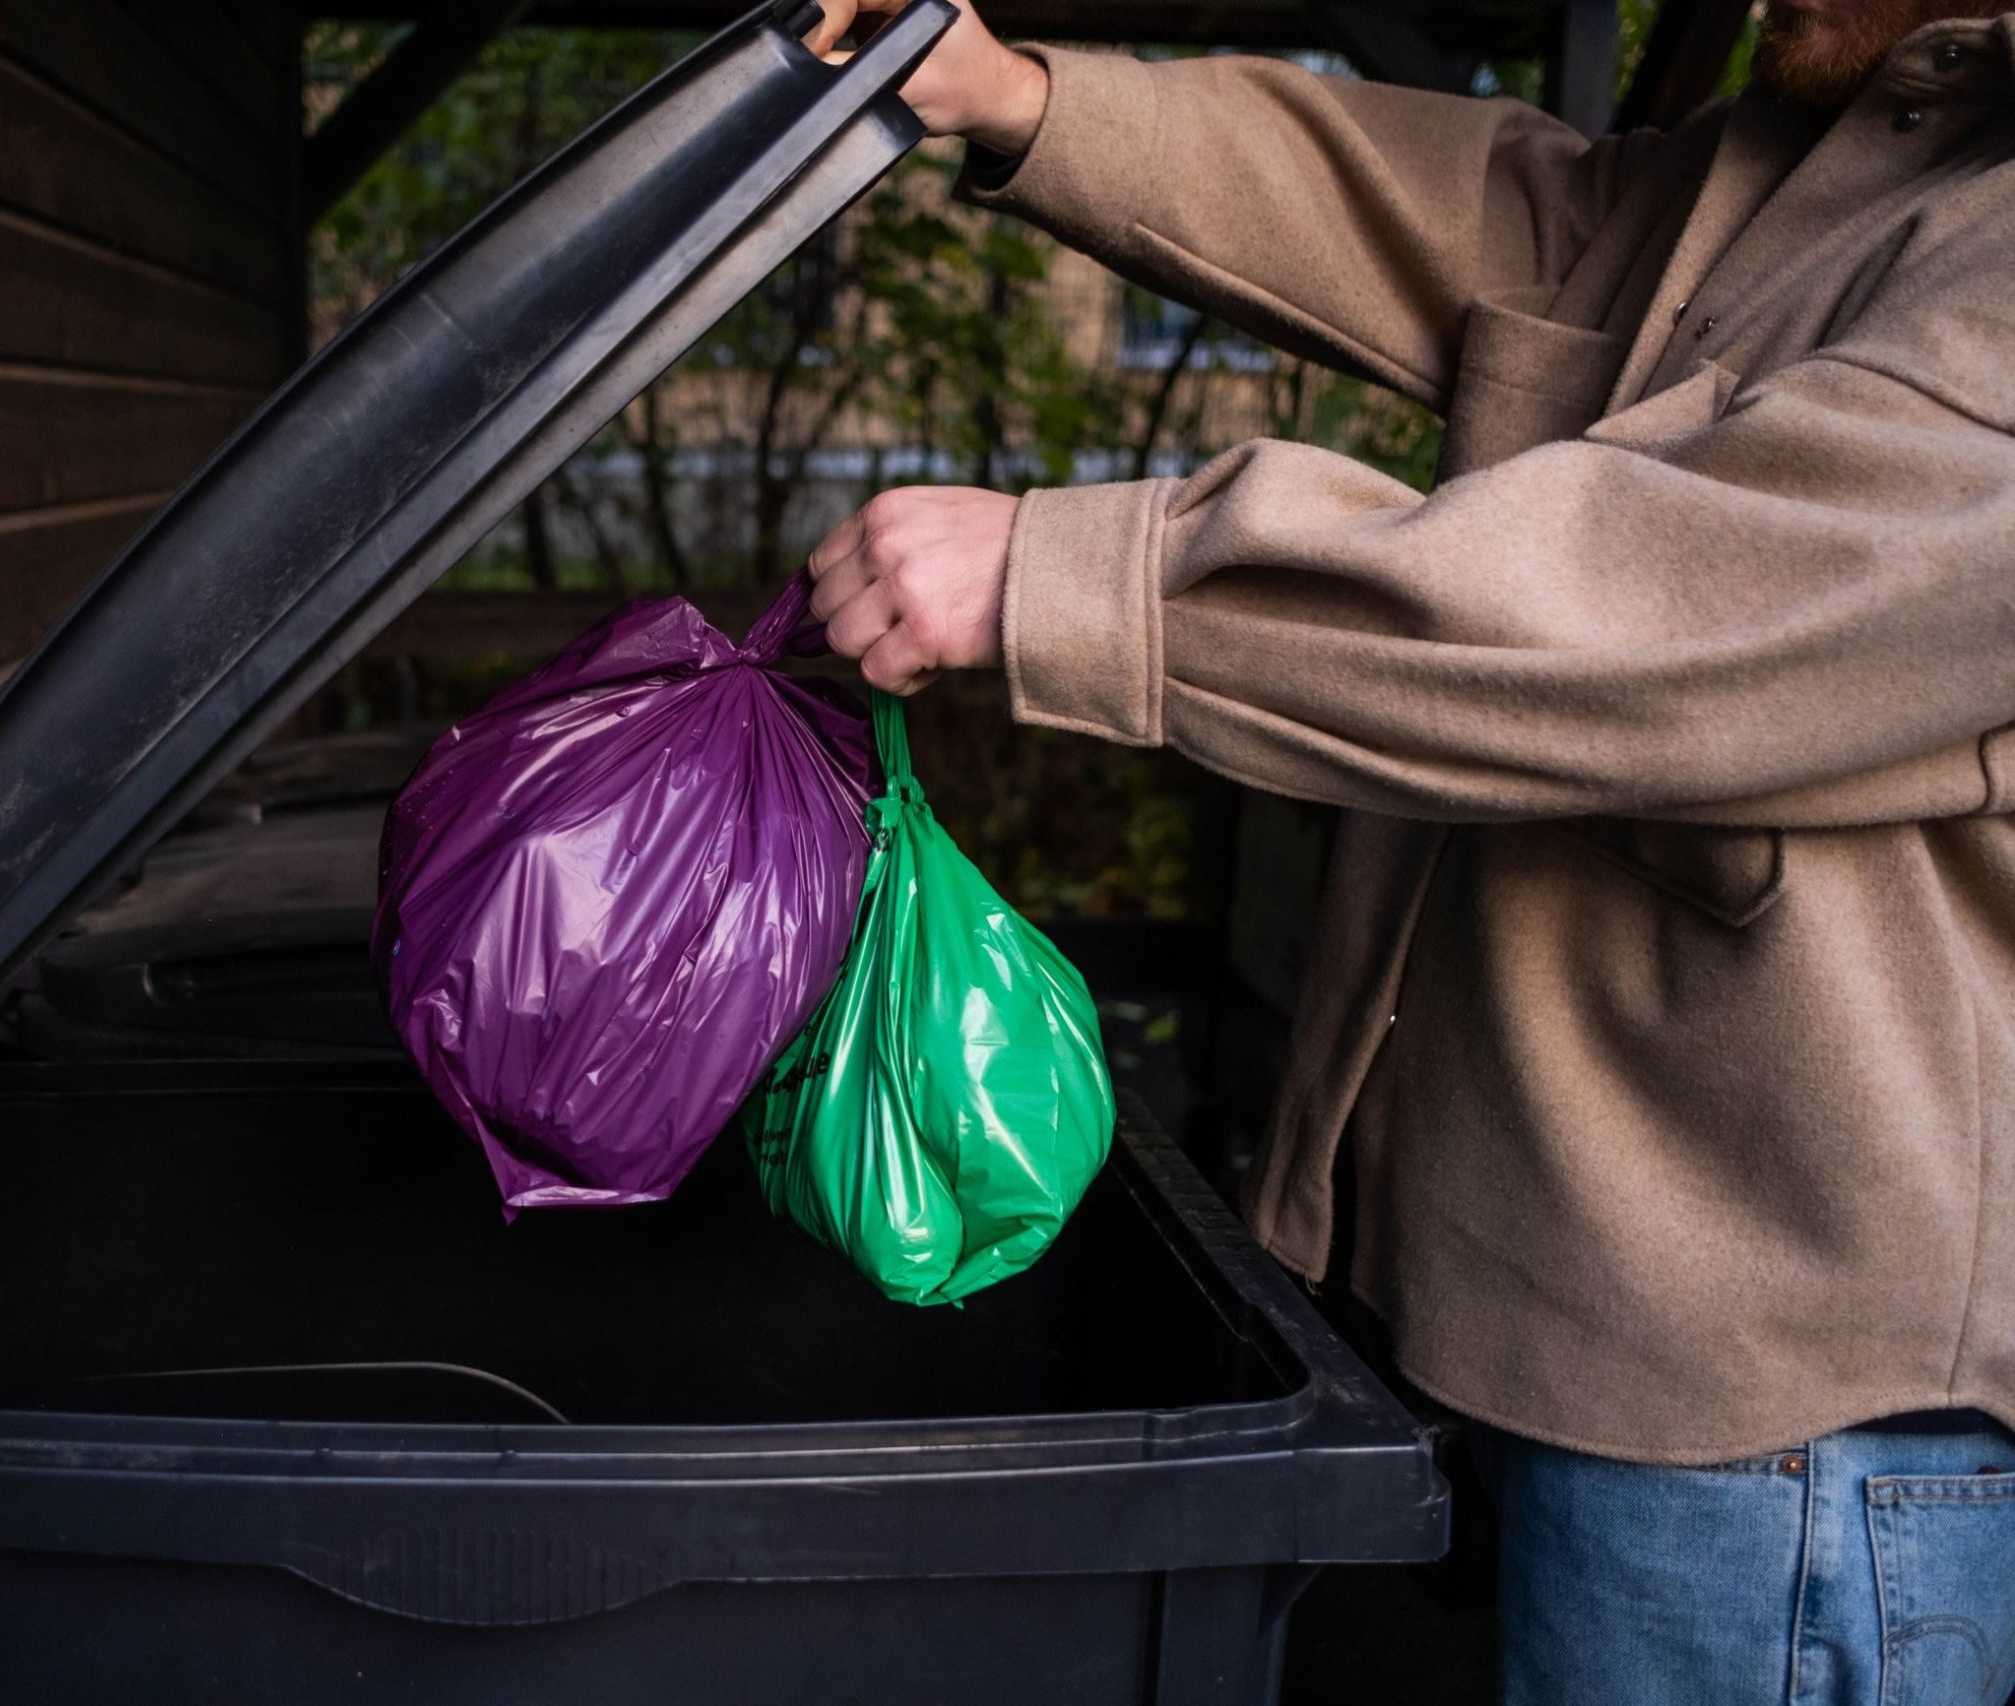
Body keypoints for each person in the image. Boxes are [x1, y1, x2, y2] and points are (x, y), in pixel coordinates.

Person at [797, 1, 2015, 1701]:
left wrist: (1089, 580)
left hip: (1789, 1432)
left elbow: (1653, 600)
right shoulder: (1822, 153)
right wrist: (1022, 97)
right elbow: (1492, 208)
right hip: (1612, 1345)